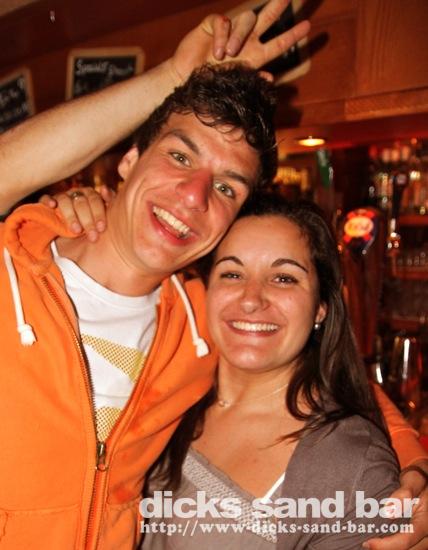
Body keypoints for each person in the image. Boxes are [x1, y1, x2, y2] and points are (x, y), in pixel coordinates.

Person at [0, 3, 311, 549]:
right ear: (129, 161)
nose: (193, 196)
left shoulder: (205, 328)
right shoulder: (10, 275)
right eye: (180, 157)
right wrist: (171, 77)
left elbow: (323, 371)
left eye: (226, 188)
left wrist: (411, 462)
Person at [140, 192, 424, 549]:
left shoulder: (350, 468)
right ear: (205, 289)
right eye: (232, 273)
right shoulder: (164, 384)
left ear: (321, 306)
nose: (251, 299)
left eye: (284, 278)